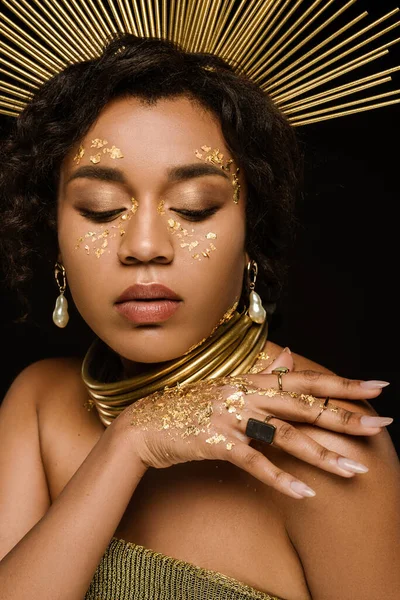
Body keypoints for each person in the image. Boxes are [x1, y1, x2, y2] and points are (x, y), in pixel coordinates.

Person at [0, 32, 399, 600]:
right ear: (55, 236)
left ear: (250, 236)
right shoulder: (38, 404)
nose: (143, 245)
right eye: (101, 210)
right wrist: (132, 440)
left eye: (193, 209)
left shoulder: (320, 446)